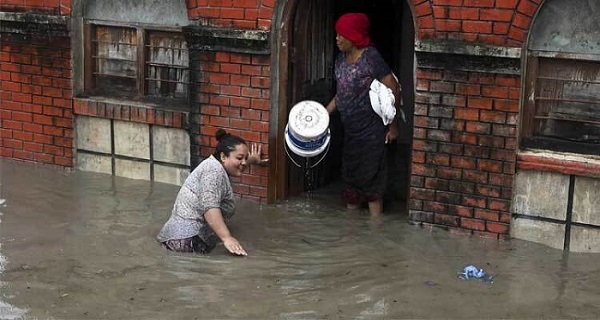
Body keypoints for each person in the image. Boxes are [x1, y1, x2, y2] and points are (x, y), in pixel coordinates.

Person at [325, 12, 402, 215]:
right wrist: (323, 115)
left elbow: (394, 89)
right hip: (350, 131)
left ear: (354, 36)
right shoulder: (341, 60)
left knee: (372, 181)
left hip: (373, 133)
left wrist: (393, 126)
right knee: (351, 179)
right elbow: (341, 94)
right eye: (337, 34)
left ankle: (375, 231)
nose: (337, 38)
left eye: (342, 34)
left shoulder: (371, 58)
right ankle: (353, 234)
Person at [157, 129, 268, 256]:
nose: (243, 162)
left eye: (245, 158)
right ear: (223, 157)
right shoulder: (213, 172)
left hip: (179, 239)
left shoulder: (215, 166)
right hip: (186, 242)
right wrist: (227, 238)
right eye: (239, 158)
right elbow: (210, 207)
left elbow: (235, 166)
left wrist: (251, 160)